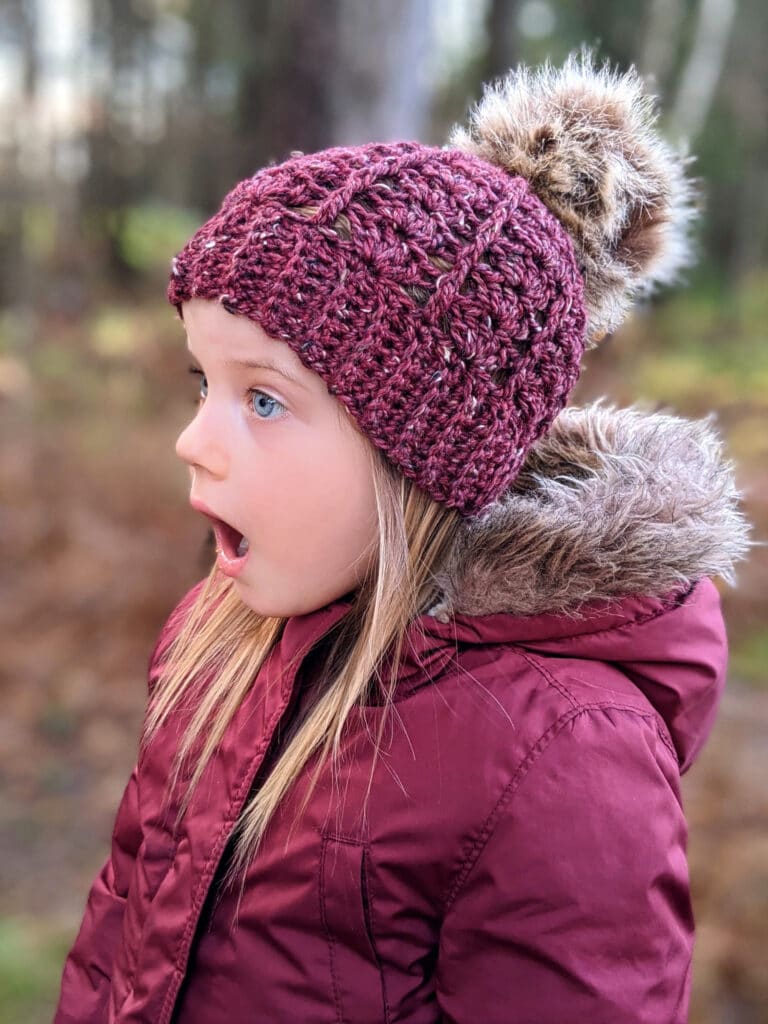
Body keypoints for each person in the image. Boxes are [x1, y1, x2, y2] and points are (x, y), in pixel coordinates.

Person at [54, 48, 753, 1023]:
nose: (193, 440)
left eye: (262, 397)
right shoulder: (214, 639)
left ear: (423, 450)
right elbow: (116, 943)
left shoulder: (564, 763)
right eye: (199, 384)